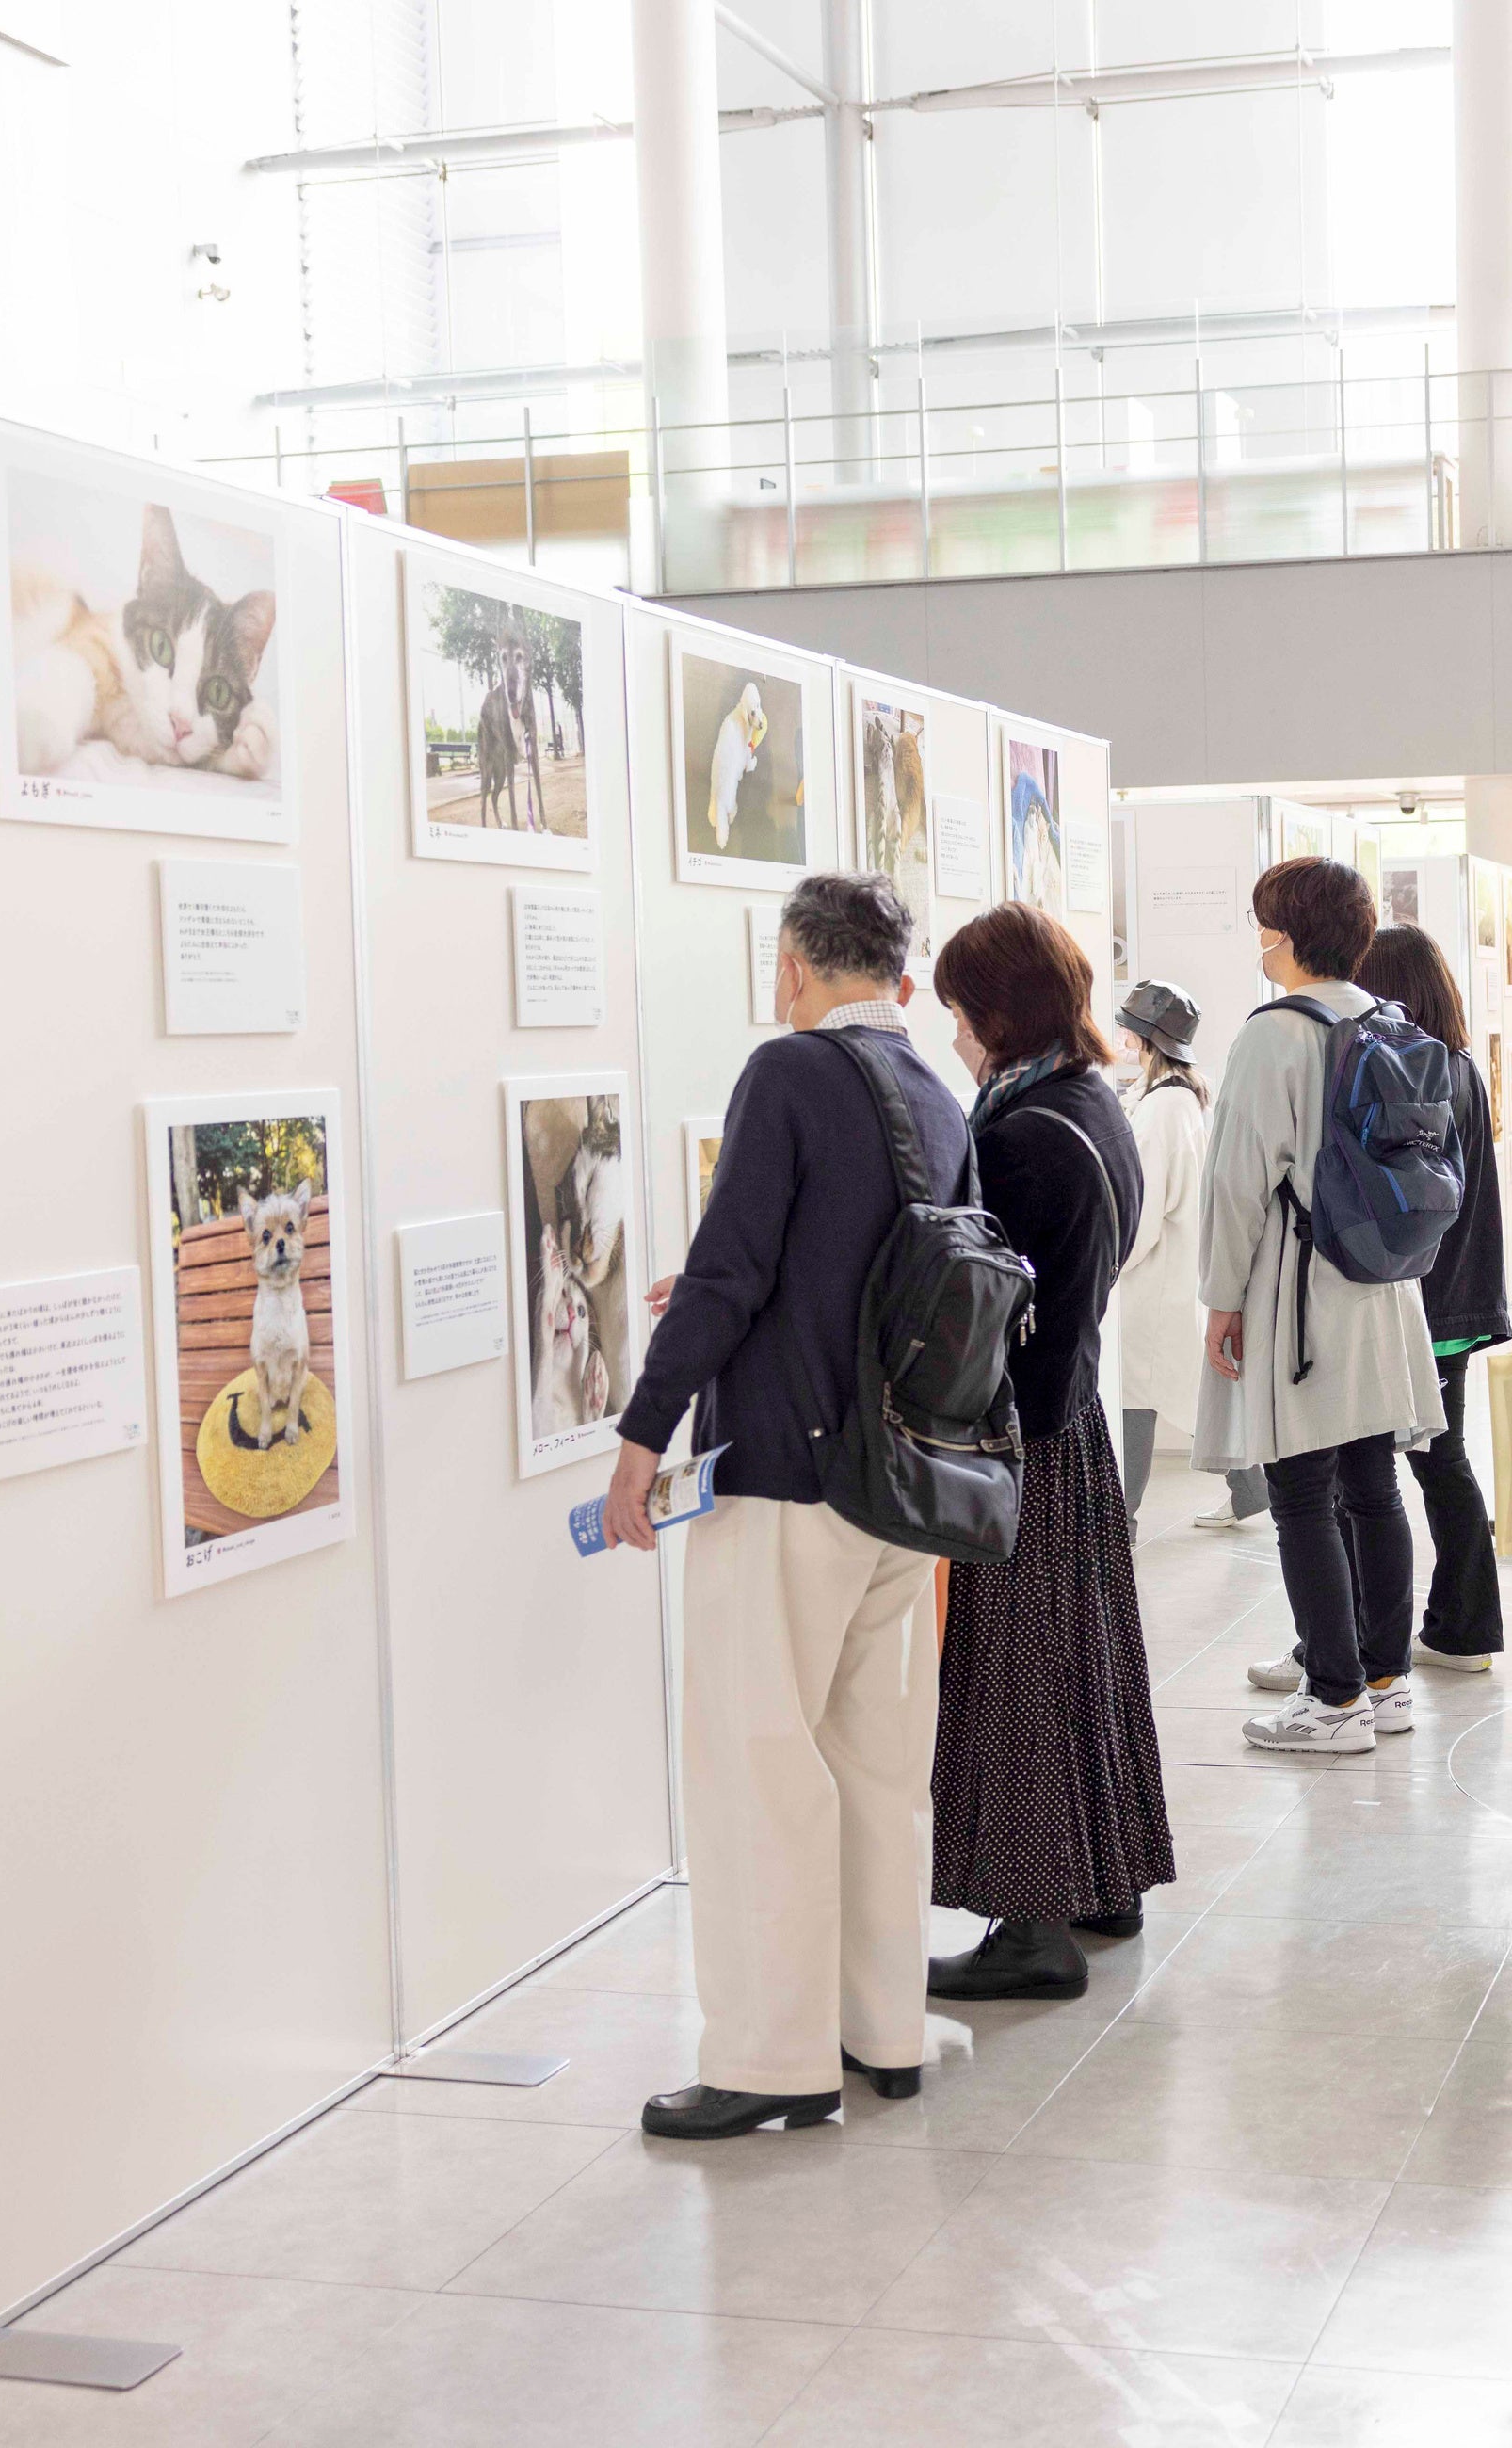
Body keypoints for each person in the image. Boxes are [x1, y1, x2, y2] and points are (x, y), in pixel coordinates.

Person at [602, 871, 963, 2137]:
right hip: (897, 1487)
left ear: (795, 966)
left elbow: (734, 1273)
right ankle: (883, 2029)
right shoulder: (934, 1090)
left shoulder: (789, 1072)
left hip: (783, 1479)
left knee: (757, 1763)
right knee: (877, 1766)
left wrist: (642, 1436)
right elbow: (870, 1273)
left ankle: (768, 2060)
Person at [922, 905, 1179, 2002]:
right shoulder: (1092, 1101)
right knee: (1081, 1663)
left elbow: (986, 1303)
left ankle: (1030, 1928)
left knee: (1017, 1677)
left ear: (1000, 1013)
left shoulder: (1022, 1131)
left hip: (1022, 1434)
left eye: (960, 1012)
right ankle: (1102, 1882)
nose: (951, 1035)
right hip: (1070, 1423)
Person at [1198, 858, 1445, 1752]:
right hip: (1382, 1285)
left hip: (1300, 1288)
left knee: (1301, 1492)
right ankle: (1385, 1681)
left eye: (1264, 925)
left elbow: (1237, 1181)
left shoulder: (1274, 1033)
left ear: (1289, 935)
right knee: (1374, 1485)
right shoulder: (1386, 1020)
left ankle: (1332, 1700)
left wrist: (1221, 1298)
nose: (1259, 941)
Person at [1358, 924, 1506, 1668]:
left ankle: (1393, 1634)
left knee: (1390, 1471)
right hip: (1453, 1302)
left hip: (1425, 1304)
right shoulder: (1459, 1065)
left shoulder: (1424, 1073)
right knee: (1438, 1462)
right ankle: (1459, 1628)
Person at [1110, 978, 1208, 1518]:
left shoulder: (1163, 1108)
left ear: (1147, 1039)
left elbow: (1142, 1208)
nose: (1122, 1041)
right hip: (1170, 1269)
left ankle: (1121, 1516)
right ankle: (1250, 1489)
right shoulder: (1175, 1099)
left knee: (1138, 1395)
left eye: (1128, 1032)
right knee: (1179, 1391)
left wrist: (1112, 1264)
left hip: (1152, 1273)